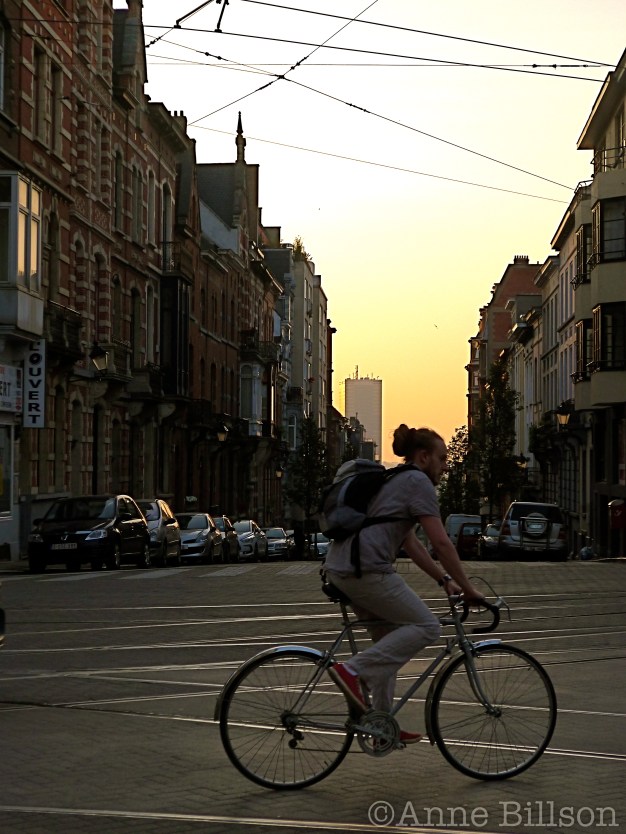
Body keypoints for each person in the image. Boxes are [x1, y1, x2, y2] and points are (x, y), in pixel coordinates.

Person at [324, 424, 484, 744]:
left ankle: (381, 727)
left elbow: (411, 543)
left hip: (343, 567)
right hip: (366, 569)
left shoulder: (396, 479)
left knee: (389, 643)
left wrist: (445, 580)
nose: (446, 465)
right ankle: (351, 672)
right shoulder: (417, 483)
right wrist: (469, 588)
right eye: (442, 458)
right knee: (428, 627)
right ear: (424, 457)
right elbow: (440, 542)